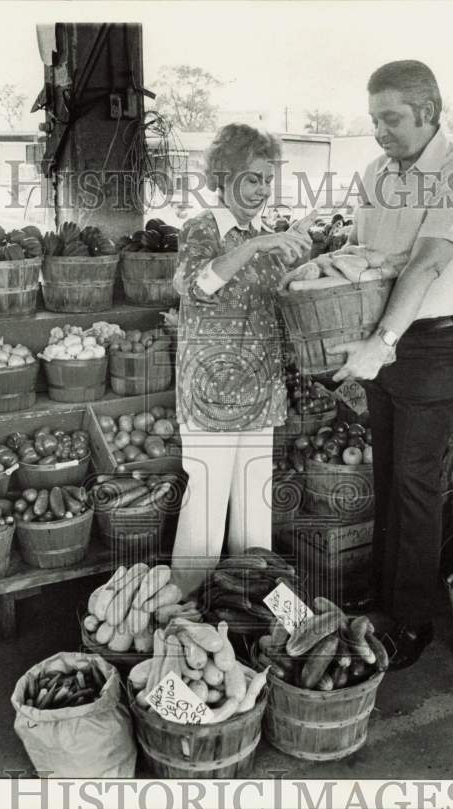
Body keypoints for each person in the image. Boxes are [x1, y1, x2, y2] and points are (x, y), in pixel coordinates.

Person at [322, 60, 453, 669]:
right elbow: (367, 254)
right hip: (386, 343)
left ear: (430, 110)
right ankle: (385, 593)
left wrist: (382, 341)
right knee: (391, 472)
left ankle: (413, 622)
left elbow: (423, 264)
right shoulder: (373, 174)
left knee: (417, 481)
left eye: (391, 118)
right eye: (373, 119)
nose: (379, 131)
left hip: (437, 346)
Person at [169, 123, 313, 598]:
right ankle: (187, 612)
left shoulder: (267, 237)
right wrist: (255, 245)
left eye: (268, 181)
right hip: (211, 394)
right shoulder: (202, 229)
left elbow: (285, 298)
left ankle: (249, 610)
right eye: (252, 178)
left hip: (261, 391)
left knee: (255, 513)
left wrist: (308, 261)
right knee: (205, 515)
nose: (262, 190)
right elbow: (194, 286)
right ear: (225, 176)